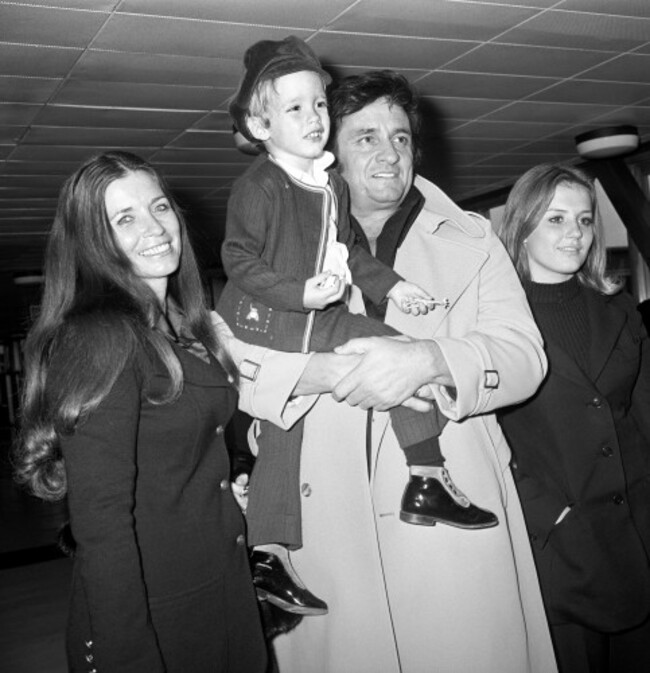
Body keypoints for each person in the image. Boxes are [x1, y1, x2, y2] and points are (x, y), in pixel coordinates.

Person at [232, 69, 556, 672]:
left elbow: (524, 358)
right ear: (329, 151)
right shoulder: (278, 244)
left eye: (401, 138)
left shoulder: (474, 240)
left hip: (449, 515)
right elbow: (238, 358)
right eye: (366, 138)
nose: (389, 153)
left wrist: (427, 359)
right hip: (328, 524)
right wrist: (317, 374)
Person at [219, 37, 497, 615]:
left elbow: (348, 250)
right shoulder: (261, 186)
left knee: (393, 354)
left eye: (319, 104)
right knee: (287, 428)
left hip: (312, 319)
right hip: (265, 321)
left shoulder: (329, 187)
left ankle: (420, 478)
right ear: (259, 122)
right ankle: (272, 551)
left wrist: (395, 287)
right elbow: (238, 262)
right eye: (294, 107)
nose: (314, 117)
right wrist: (298, 292)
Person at [12, 151, 320, 673]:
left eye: (159, 207)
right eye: (124, 219)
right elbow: (103, 525)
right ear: (92, 240)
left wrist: (228, 480)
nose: (154, 227)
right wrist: (129, 658)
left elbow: (187, 443)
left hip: (219, 588)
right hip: (156, 614)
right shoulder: (100, 340)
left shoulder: (182, 329)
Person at [498, 164, 650, 673]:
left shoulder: (618, 308)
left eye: (585, 221)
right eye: (557, 219)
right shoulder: (495, 322)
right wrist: (546, 515)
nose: (575, 235)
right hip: (561, 547)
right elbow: (482, 435)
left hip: (638, 532)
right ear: (522, 226)